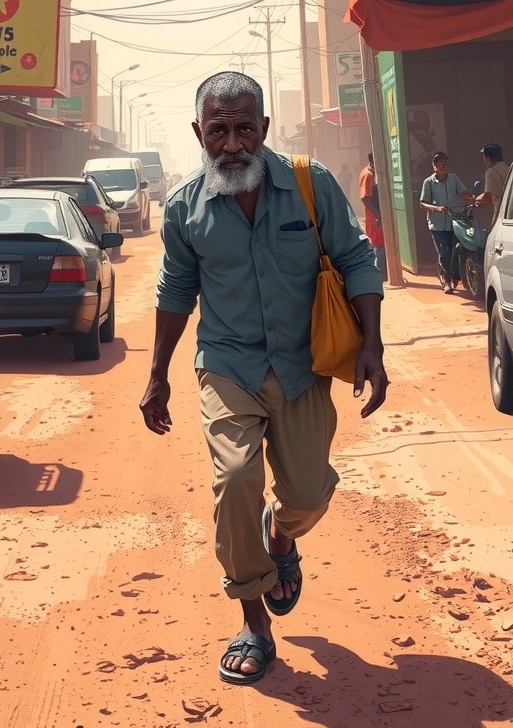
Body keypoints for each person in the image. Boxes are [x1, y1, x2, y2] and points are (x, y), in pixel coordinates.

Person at [139, 71, 389, 686]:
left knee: (306, 493)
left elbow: (355, 257)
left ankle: (280, 537)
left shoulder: (311, 185)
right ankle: (254, 621)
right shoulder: (184, 208)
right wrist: (157, 376)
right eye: (218, 131)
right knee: (235, 478)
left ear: (264, 129)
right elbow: (176, 290)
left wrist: (374, 346)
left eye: (244, 128)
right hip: (228, 365)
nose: (232, 145)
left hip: (303, 366)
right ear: (199, 133)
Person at [419, 152, 473, 294]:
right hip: (437, 225)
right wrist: (437, 208)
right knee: (444, 252)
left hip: (454, 221)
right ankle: (447, 282)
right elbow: (422, 203)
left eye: (446, 163)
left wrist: (471, 198)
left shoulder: (453, 178)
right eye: (441, 163)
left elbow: (462, 192)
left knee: (457, 249)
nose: (444, 165)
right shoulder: (428, 182)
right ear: (434, 166)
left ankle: (455, 274)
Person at [359, 153, 387, 282]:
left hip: (376, 217)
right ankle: (378, 278)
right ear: (372, 162)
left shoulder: (372, 173)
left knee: (379, 248)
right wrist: (378, 215)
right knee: (379, 250)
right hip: (375, 219)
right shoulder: (368, 175)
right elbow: (365, 198)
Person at [475, 143, 509, 221]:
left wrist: (477, 200)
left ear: (487, 158)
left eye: (484, 156)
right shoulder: (509, 169)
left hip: (502, 217)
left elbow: (488, 196)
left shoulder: (491, 172)